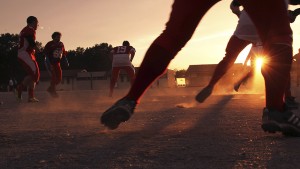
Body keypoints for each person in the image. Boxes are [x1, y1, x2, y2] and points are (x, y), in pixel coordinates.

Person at [100, 0, 300, 136]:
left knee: (173, 35)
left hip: (242, 28)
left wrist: (238, 9)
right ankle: (277, 108)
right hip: (257, 29)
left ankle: (129, 99)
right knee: (279, 37)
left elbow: (234, 5)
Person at [16, 16, 40, 103]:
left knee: (34, 75)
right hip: (25, 54)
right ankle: (21, 89)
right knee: (35, 73)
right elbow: (30, 40)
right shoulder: (30, 29)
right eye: (37, 22)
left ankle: (28, 94)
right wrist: (37, 48)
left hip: (28, 54)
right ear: (33, 22)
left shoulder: (25, 29)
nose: (38, 24)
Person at [43, 32, 68, 98]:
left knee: (59, 78)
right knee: (53, 77)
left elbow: (64, 53)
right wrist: (48, 63)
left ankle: (50, 88)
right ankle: (53, 91)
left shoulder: (61, 44)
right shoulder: (49, 44)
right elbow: (45, 54)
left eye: (59, 37)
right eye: (57, 37)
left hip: (57, 63)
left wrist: (66, 61)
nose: (59, 38)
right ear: (53, 37)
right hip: (50, 62)